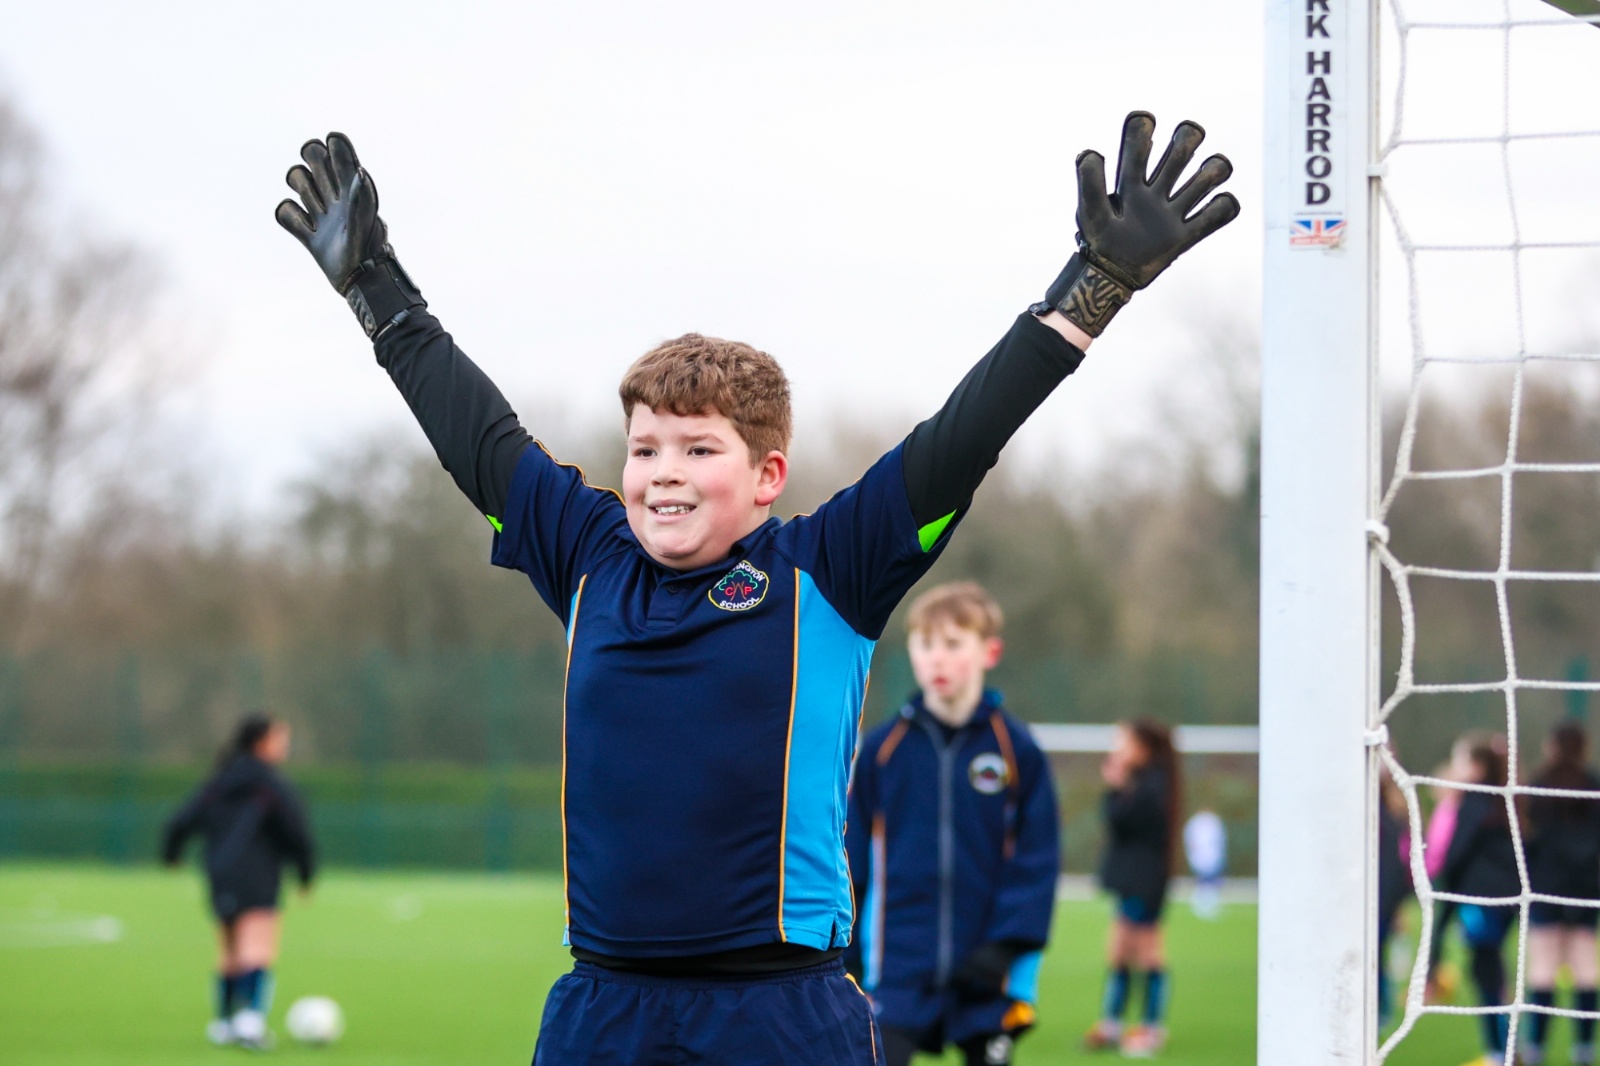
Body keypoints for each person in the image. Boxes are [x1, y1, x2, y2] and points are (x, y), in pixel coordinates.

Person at [272, 113, 1237, 1064]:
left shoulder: (829, 568)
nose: (664, 472)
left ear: (768, 475)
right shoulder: (589, 557)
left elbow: (965, 436)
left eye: (699, 449)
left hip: (781, 1013)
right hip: (602, 1008)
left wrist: (1094, 287)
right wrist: (372, 285)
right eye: (645, 448)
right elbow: (474, 434)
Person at [844, 582, 1059, 1066]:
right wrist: (849, 956)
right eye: (925, 644)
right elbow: (852, 859)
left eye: (953, 644)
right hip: (895, 976)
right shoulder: (883, 751)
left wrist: (1003, 949)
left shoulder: (1017, 750)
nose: (936, 659)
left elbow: (1037, 861)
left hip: (985, 974)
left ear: (990, 652)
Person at [162, 715, 315, 1049]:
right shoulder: (270, 784)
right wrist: (305, 871)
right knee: (257, 947)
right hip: (258, 873)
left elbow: (182, 820)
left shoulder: (220, 781)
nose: (285, 746)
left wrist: (171, 853)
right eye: (280, 739)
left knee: (229, 950)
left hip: (219, 872)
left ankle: (224, 1022)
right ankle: (249, 1022)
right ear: (261, 743)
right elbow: (296, 830)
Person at [1084, 719, 1181, 1057]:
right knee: (1119, 951)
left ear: (1142, 749)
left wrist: (1117, 785)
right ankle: (1112, 1024)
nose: (1116, 750)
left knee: (1148, 953)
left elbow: (1124, 823)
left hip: (1145, 881)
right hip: (1133, 880)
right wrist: (1118, 787)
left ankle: (1151, 1028)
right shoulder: (1142, 782)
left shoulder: (1154, 786)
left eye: (1122, 743)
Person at [1428, 734, 1518, 1066]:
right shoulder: (1499, 801)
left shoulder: (1474, 801)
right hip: (1503, 901)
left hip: (1481, 901)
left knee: (1486, 973)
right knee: (1491, 971)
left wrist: (1440, 882)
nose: (1455, 767)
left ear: (1477, 767)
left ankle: (1500, 1052)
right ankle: (1506, 1048)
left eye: (1460, 760)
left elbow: (1459, 850)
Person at [1521, 721, 1600, 1066]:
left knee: (1543, 967)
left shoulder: (1537, 787)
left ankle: (1536, 1048)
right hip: (1585, 890)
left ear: (1552, 746)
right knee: (1586, 968)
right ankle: (1583, 1048)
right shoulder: (1593, 786)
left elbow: (1528, 841)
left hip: (1547, 888)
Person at [1181, 809, 1226, 921]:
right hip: (1201, 858)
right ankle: (1202, 905)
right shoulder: (1195, 823)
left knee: (1211, 882)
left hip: (1212, 858)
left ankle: (1207, 905)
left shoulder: (1213, 822)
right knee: (1204, 882)